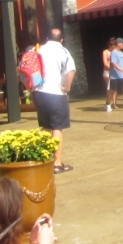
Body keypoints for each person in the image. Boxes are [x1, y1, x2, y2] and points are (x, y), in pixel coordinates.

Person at [36, 28, 76, 174]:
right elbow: (71, 70)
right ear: (61, 40)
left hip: (39, 92)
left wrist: (31, 87)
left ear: (47, 38)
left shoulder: (38, 50)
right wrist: (67, 87)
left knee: (46, 127)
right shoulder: (63, 51)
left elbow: (23, 70)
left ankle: (44, 160)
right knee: (57, 128)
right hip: (56, 93)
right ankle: (57, 164)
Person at [105, 38, 123, 113]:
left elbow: (121, 64)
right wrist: (122, 70)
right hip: (114, 76)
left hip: (122, 75)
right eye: (122, 43)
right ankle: (108, 104)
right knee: (112, 91)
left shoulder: (121, 52)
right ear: (118, 44)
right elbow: (114, 64)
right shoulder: (113, 52)